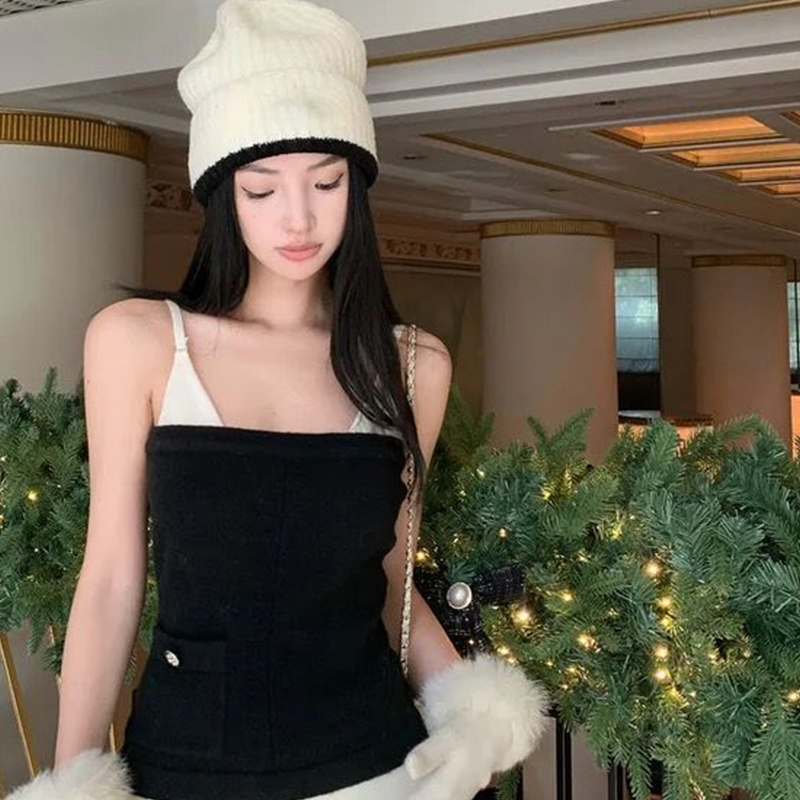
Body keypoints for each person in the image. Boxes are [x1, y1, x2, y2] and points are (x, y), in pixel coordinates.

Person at [5, 2, 548, 800]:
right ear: (223, 195)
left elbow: (390, 576)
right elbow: (113, 576)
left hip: (380, 766)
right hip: (188, 765)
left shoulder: (411, 365)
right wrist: (73, 781)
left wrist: (478, 720)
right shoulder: (140, 342)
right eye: (262, 190)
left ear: (356, 186)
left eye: (326, 182)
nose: (298, 218)